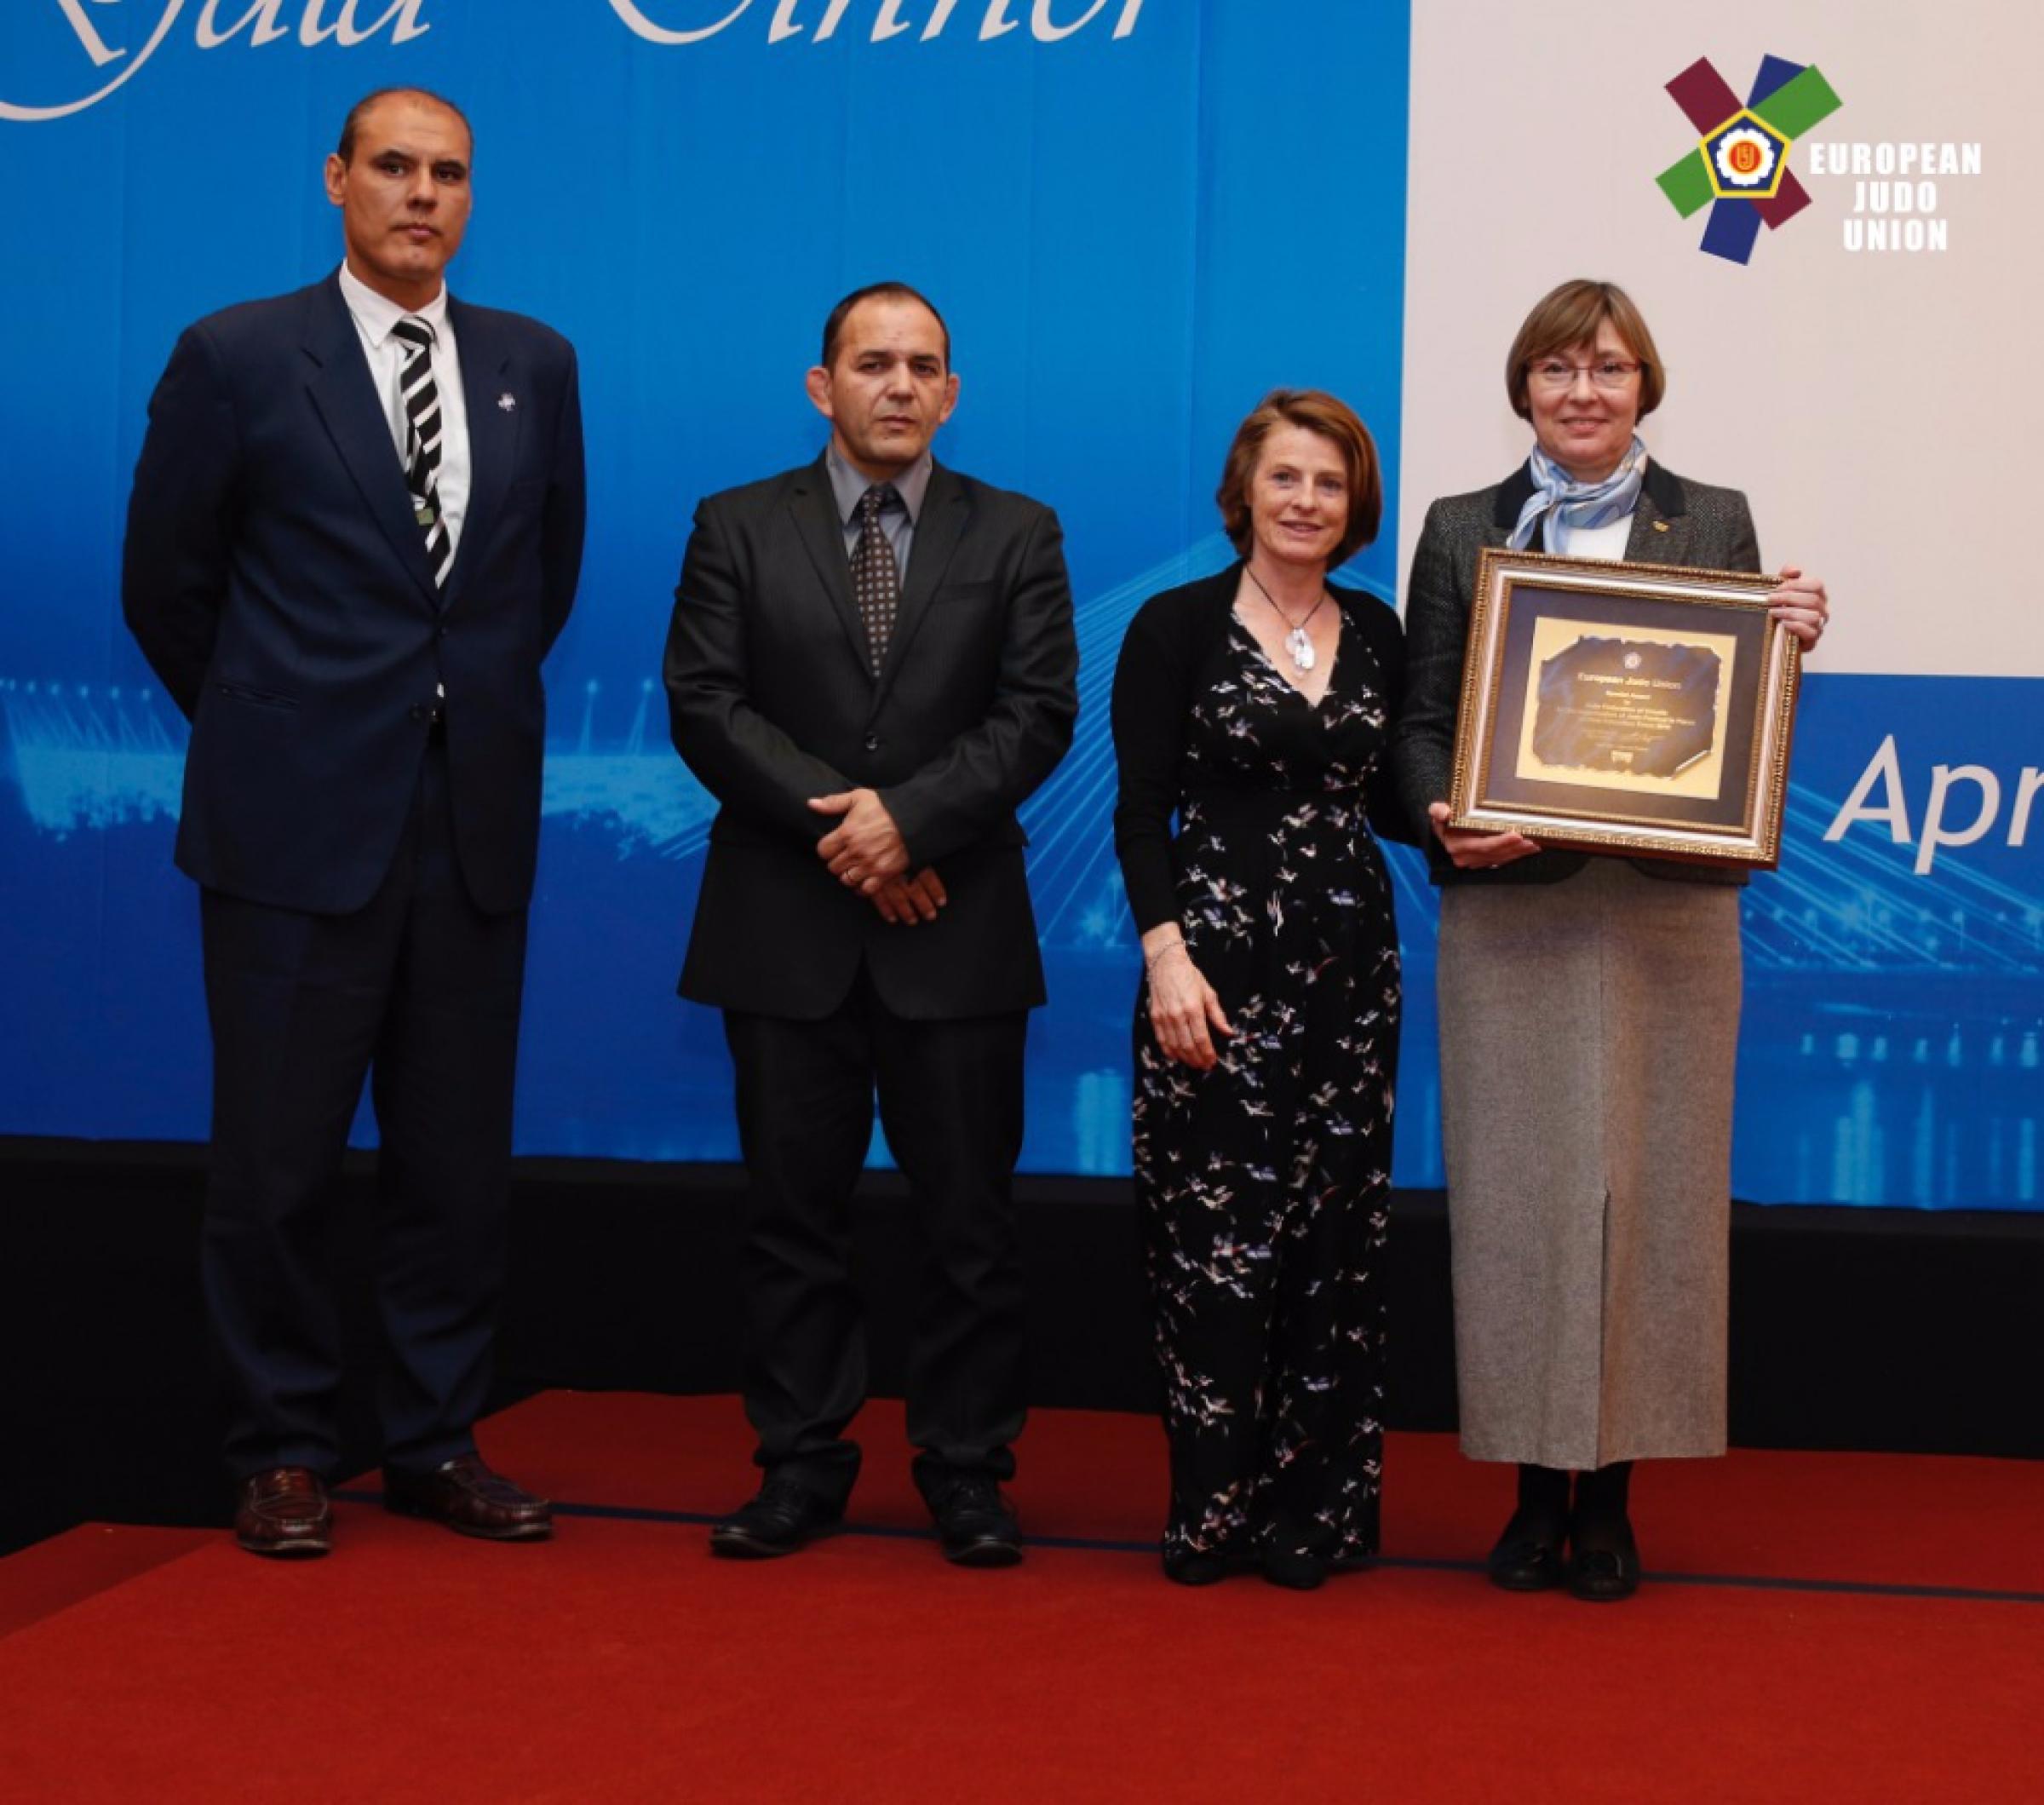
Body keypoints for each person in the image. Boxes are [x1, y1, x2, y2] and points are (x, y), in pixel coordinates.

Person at [122, 88, 585, 1557]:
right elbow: (166, 585)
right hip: (291, 829)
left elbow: (539, 582)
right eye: (394, 167)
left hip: (472, 824)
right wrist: (281, 724)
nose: (422, 195)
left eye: (449, 173)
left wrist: (448, 716)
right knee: (277, 1164)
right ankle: (280, 1449)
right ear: (337, 181)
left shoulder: (533, 362)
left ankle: (435, 1442)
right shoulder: (238, 355)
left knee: (456, 1166)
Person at [1393, 279, 1829, 1601]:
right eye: (1558, 369)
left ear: (1647, 386)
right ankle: (1533, 1493)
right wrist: (1440, 812)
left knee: (1653, 1198)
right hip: (1512, 906)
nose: (1583, 392)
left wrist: (1787, 650)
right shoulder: (1462, 527)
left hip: (1667, 911)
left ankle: (1615, 1498)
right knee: (1519, 1200)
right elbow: (1421, 719)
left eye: (1610, 368)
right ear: (1522, 387)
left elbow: (1735, 719)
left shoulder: (1718, 520)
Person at [664, 282, 1078, 1566]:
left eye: (923, 367)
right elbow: (705, 704)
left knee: (971, 1231)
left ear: (952, 394)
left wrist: (911, 822)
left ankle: (967, 1473)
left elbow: (1038, 713)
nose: (899, 385)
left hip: (958, 931)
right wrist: (855, 835)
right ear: (822, 385)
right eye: (872, 363)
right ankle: (799, 1468)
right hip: (785, 933)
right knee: (792, 1224)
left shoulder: (1018, 531)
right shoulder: (735, 525)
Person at [1111, 389, 1409, 1589]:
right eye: (1285, 477)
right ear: (1244, 490)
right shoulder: (1172, 626)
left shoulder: (1379, 629)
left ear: (1355, 505)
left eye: (1329, 483)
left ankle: (1312, 1518)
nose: (1305, 501)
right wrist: (1165, 958)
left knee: (1336, 1239)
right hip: (1214, 972)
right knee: (1214, 1242)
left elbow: (1398, 803)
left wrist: (1490, 812)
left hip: (1353, 973)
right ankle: (1212, 1511)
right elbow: (1140, 812)